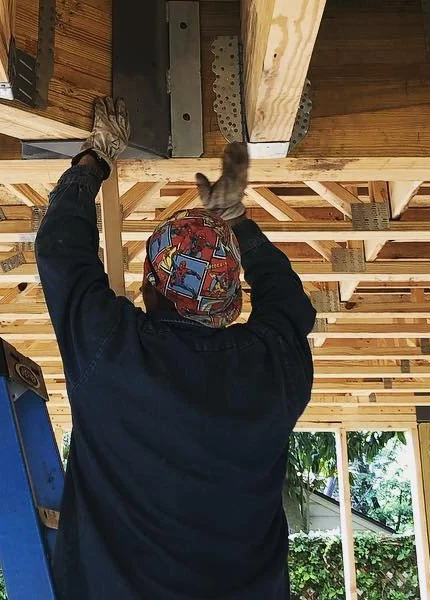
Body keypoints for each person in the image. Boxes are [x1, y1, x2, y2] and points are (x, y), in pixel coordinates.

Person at [35, 97, 317, 599]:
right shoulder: (264, 370)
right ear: (230, 305)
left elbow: (290, 306)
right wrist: (89, 162)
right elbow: (62, 255)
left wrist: (98, 158)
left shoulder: (118, 348)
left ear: (148, 284)